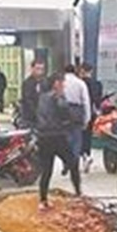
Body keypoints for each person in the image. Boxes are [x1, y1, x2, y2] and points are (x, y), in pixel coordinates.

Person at [35, 73, 81, 211]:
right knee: (73, 162)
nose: (64, 85)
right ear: (56, 83)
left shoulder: (42, 97)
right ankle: (78, 193)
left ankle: (43, 200)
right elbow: (65, 113)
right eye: (62, 82)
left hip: (43, 137)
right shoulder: (57, 96)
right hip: (56, 136)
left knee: (46, 170)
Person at [62, 64, 91, 171]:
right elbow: (86, 102)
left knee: (65, 139)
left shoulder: (61, 83)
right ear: (74, 71)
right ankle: (74, 163)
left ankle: (66, 161)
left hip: (63, 112)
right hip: (76, 112)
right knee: (76, 140)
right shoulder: (80, 83)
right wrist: (87, 118)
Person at [79, 62, 103, 173]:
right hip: (92, 113)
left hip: (80, 113)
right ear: (91, 71)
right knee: (87, 135)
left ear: (82, 70)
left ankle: (83, 156)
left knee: (79, 136)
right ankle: (87, 155)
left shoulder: (80, 84)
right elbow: (98, 101)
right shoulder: (97, 84)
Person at [19, 60, 47, 128]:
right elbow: (28, 100)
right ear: (32, 69)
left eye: (42, 69)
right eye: (37, 69)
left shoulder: (45, 82)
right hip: (30, 117)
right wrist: (36, 113)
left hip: (43, 117)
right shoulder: (27, 83)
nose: (40, 71)